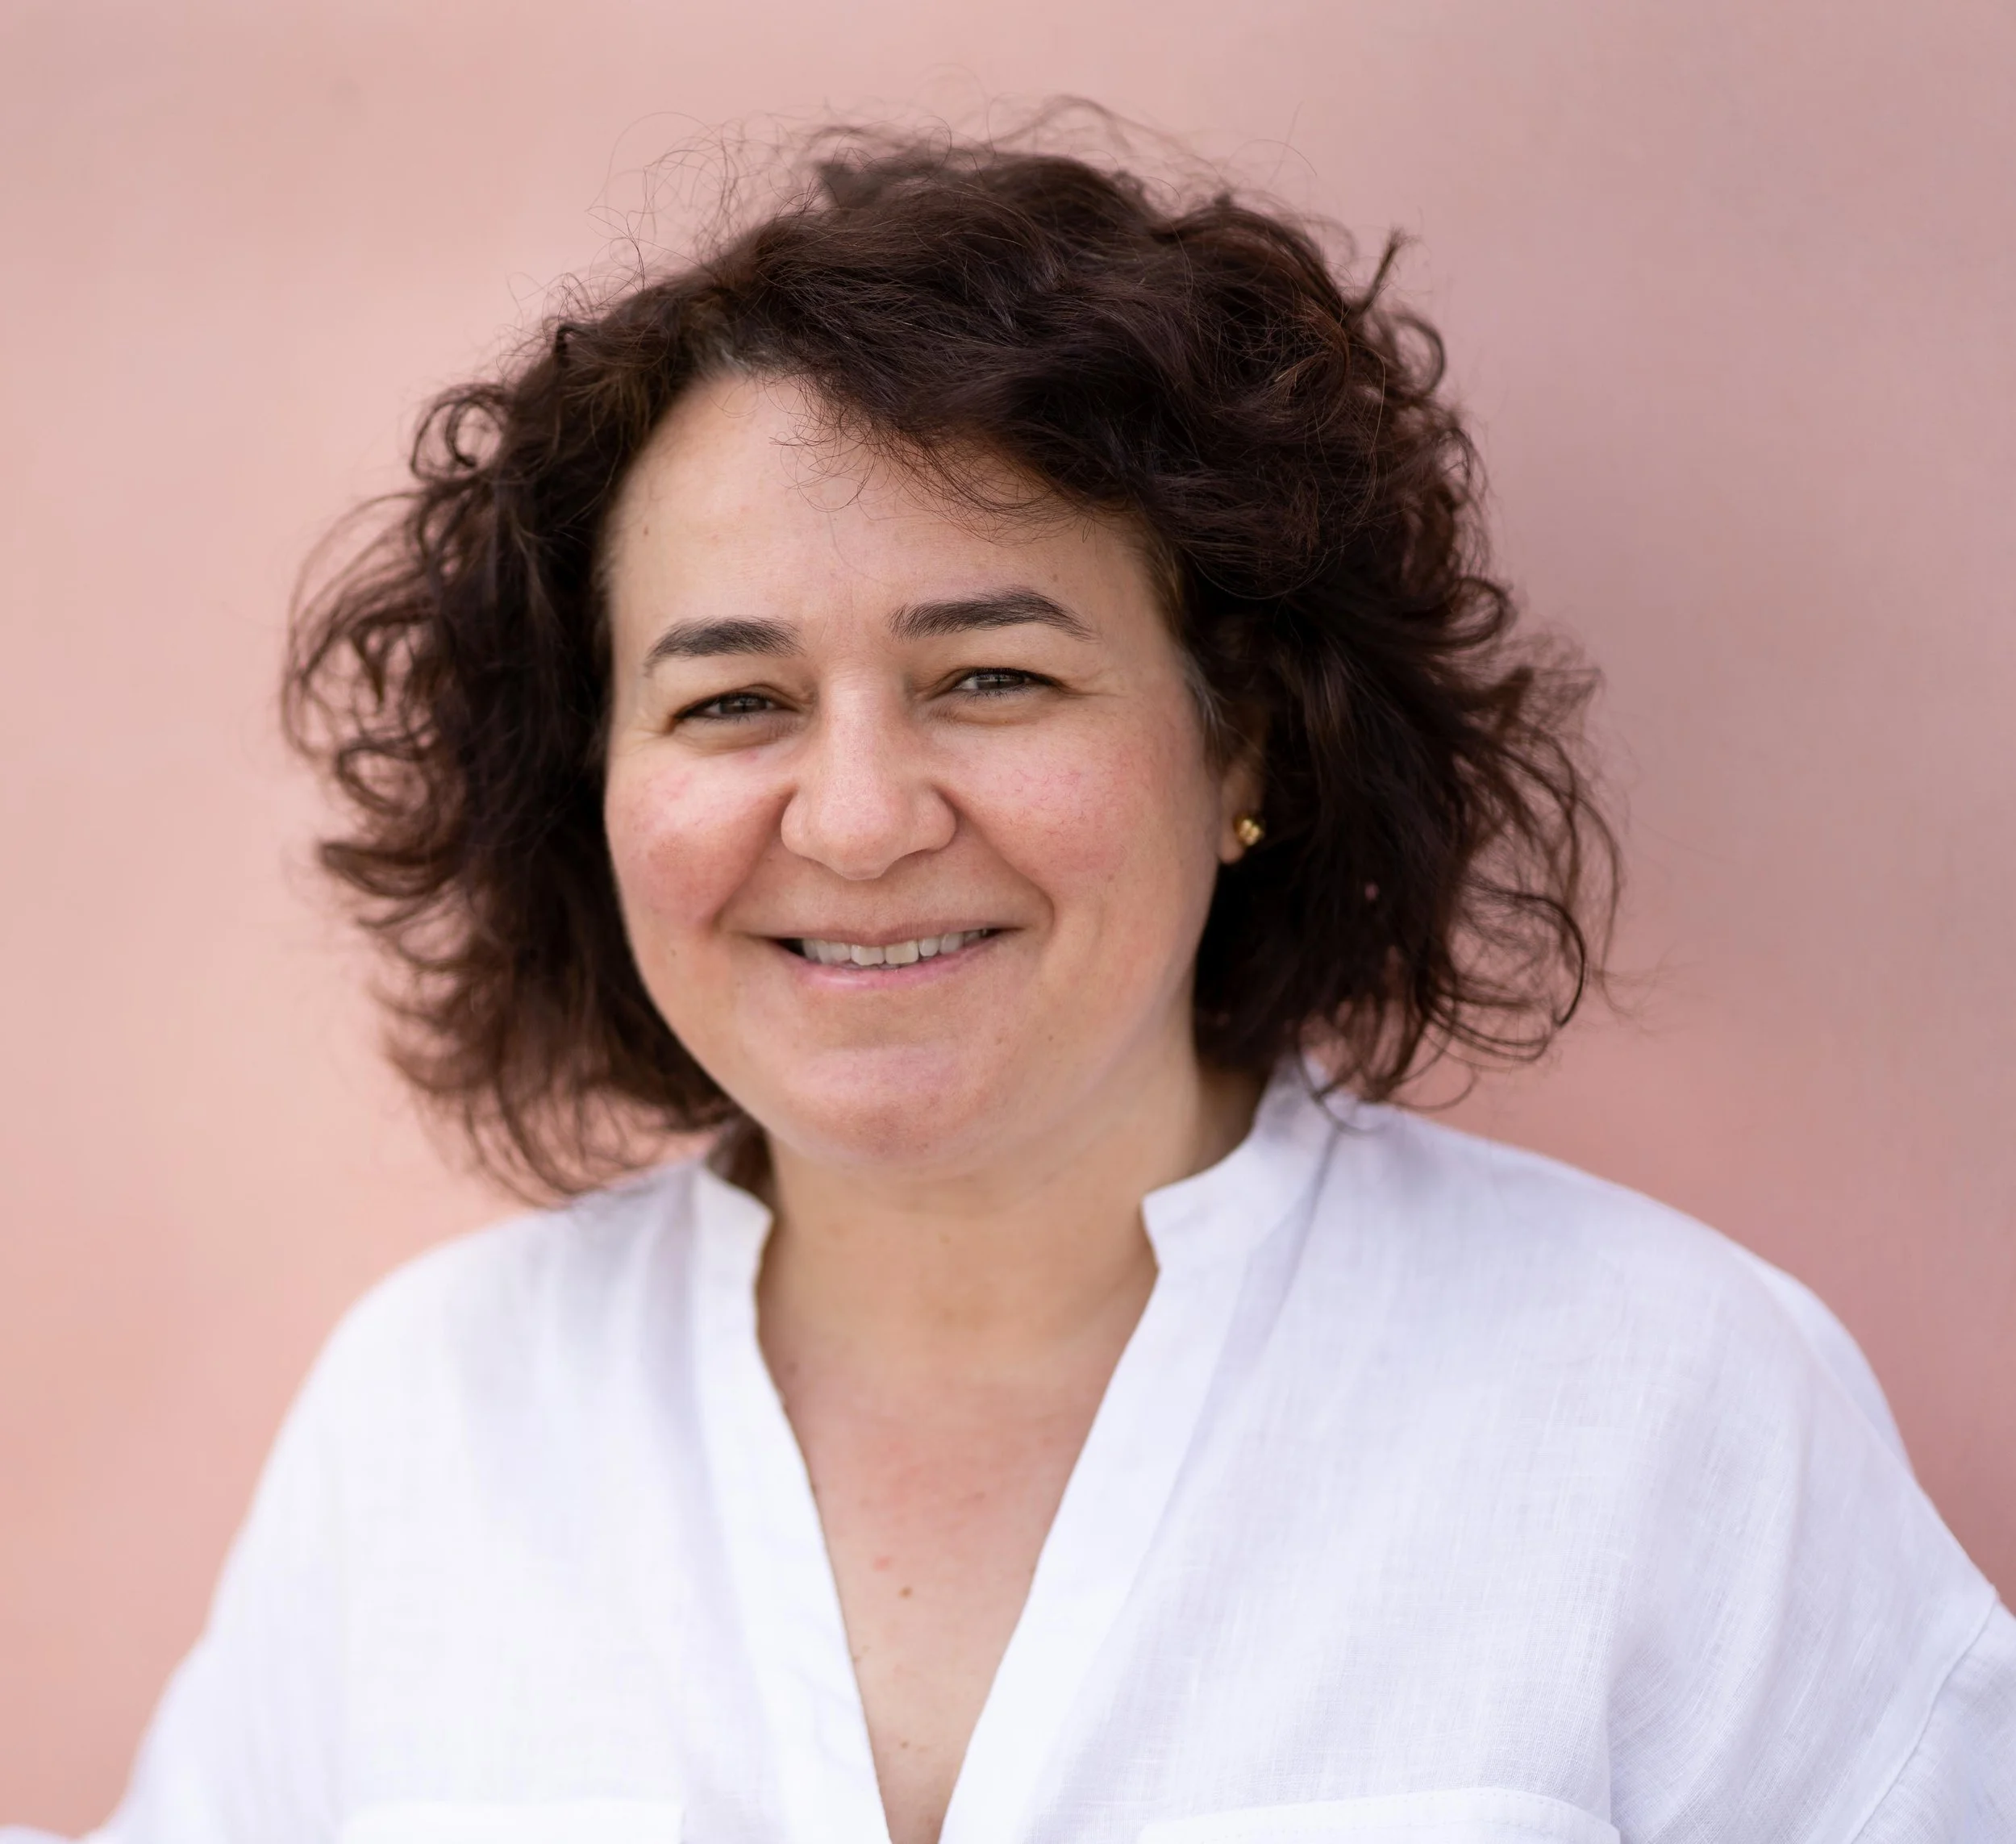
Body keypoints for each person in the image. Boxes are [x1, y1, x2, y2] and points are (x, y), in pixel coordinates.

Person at [19, 126, 2013, 1844]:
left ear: (1245, 741)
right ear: (594, 790)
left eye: (993, 675)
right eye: (732, 701)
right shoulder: (429, 1418)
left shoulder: (1666, 1400)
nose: (863, 816)